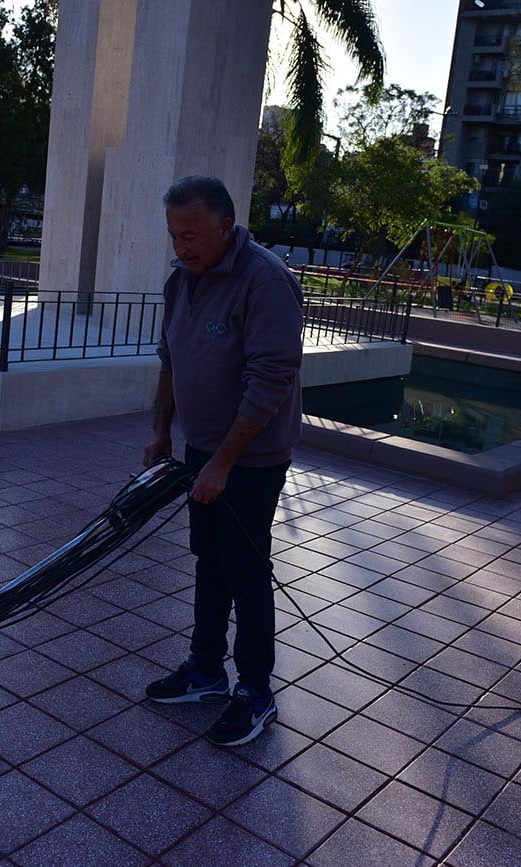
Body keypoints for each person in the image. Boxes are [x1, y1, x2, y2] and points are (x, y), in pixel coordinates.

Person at [142, 176, 303, 747]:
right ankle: (206, 670)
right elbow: (169, 359)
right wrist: (162, 429)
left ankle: (256, 691)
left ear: (225, 226)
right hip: (202, 449)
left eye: (190, 235)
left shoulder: (264, 280)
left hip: (251, 459)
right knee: (209, 561)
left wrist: (224, 465)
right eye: (174, 236)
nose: (181, 247)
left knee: (246, 571)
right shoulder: (181, 280)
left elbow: (270, 380)